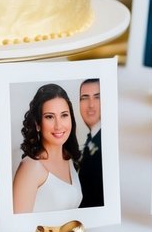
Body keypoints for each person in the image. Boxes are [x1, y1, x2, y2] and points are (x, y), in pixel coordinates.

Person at [12, 83, 82, 214]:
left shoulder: (68, 158)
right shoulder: (30, 167)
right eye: (49, 117)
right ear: (37, 124)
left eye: (64, 115)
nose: (58, 125)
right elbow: (17, 228)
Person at [77, 78, 104, 208]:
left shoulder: (105, 141)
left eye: (97, 97)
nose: (91, 104)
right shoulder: (93, 136)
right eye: (85, 98)